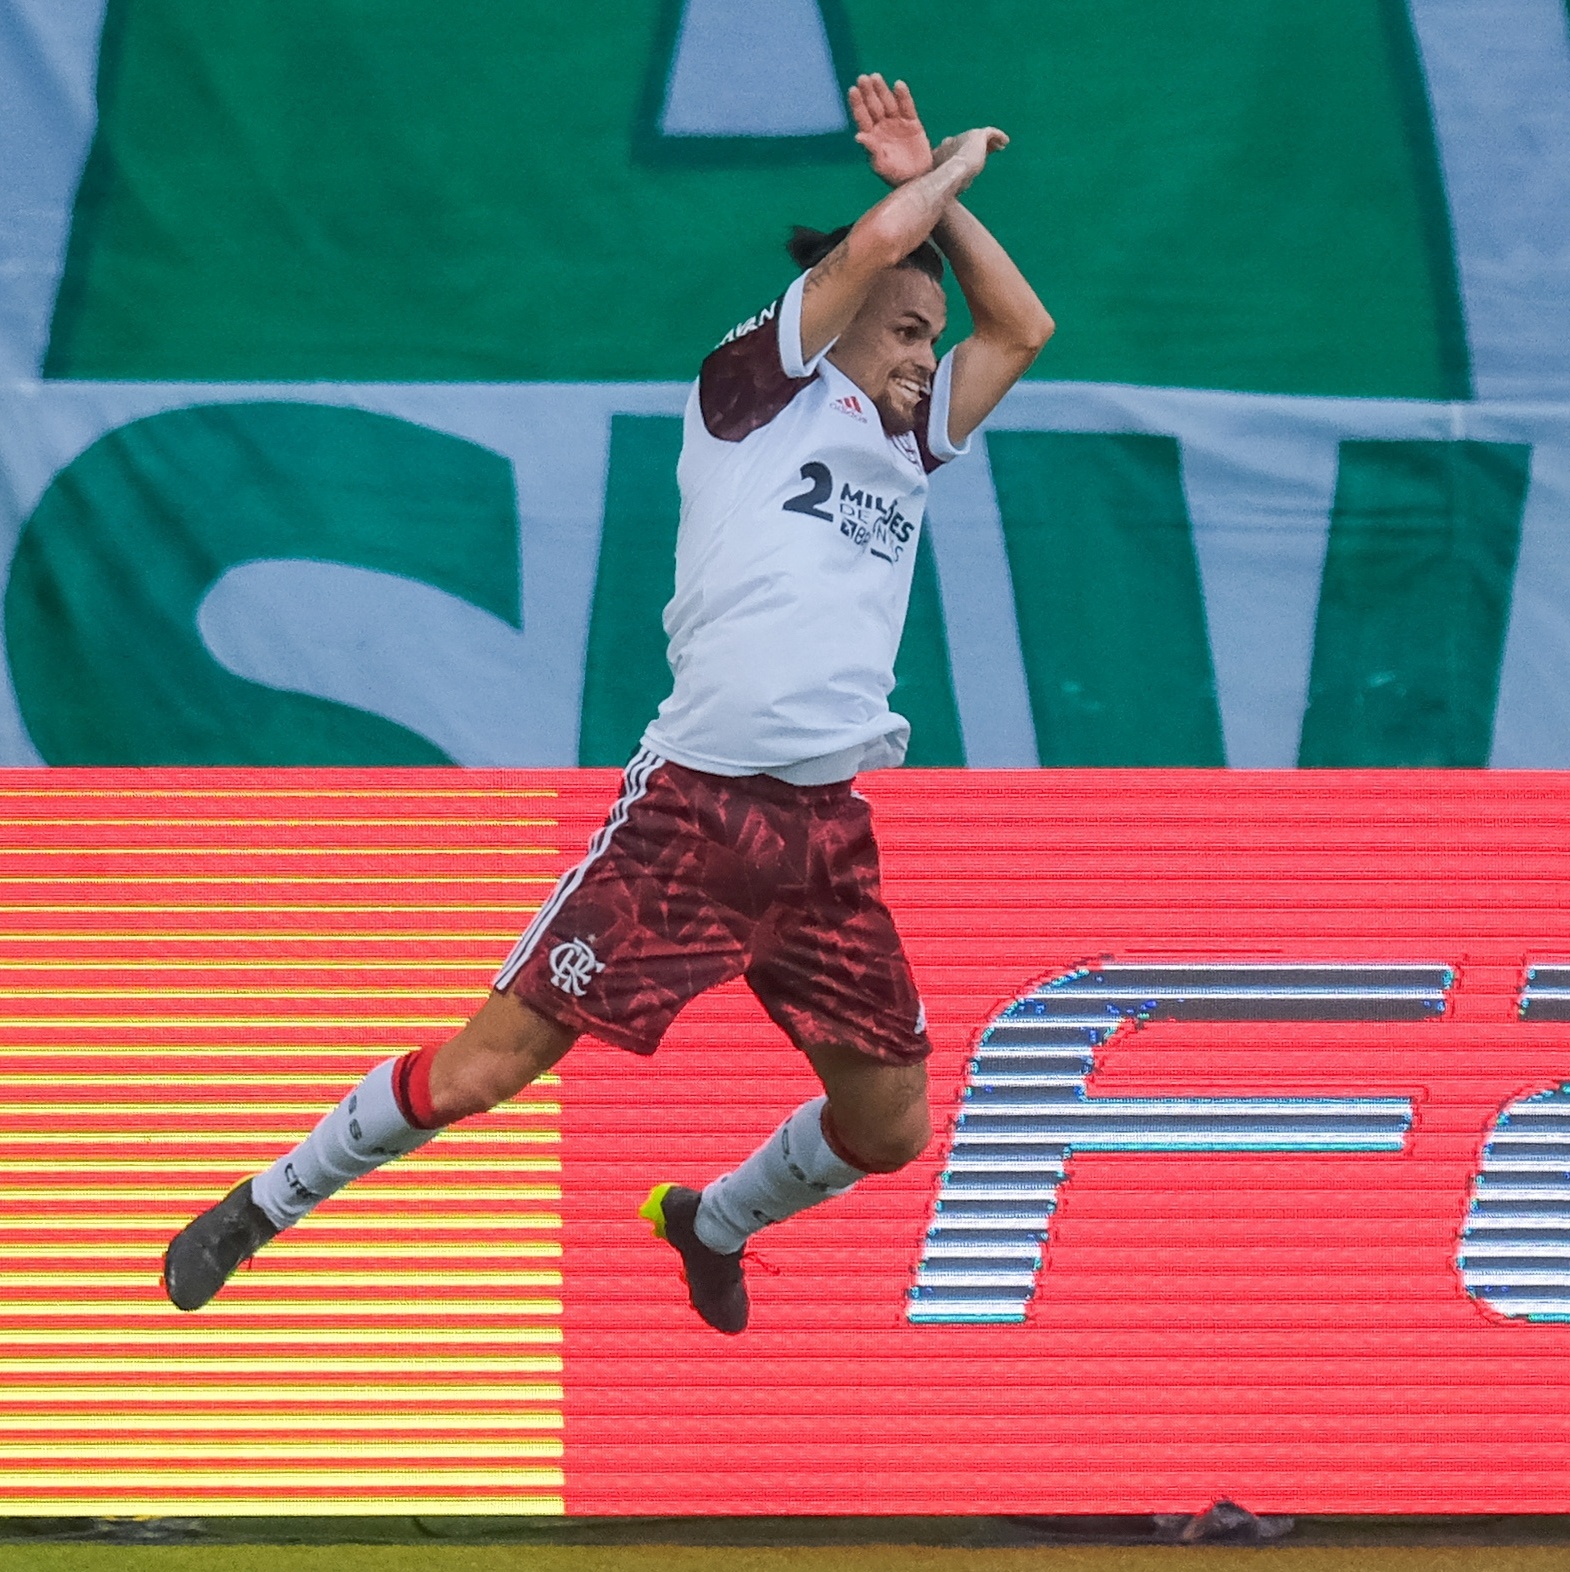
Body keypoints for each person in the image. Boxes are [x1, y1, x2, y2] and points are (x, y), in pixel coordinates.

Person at [162, 74, 1054, 1334]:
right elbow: (872, 249)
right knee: (485, 1071)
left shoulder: (908, 449)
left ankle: (712, 1219)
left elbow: (1020, 331)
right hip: (689, 817)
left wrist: (948, 211)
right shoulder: (749, 395)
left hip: (821, 839)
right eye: (905, 333)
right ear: (839, 330)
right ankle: (263, 1202)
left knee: (892, 1126)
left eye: (924, 338)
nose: (924, 357)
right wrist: (932, 173)